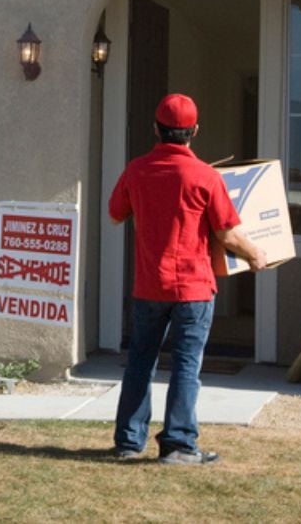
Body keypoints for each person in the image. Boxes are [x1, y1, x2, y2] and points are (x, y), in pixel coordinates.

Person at [108, 93, 268, 464]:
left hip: (149, 286)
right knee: (185, 364)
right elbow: (228, 233)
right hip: (193, 289)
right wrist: (257, 254)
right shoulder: (205, 176)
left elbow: (116, 215)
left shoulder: (137, 170)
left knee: (140, 363)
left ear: (156, 129)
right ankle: (179, 446)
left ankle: (129, 444)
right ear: (194, 131)